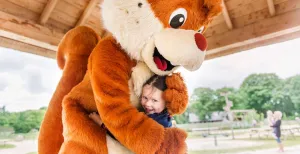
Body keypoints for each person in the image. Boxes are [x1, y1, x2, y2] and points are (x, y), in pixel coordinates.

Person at [89, 75, 173, 138]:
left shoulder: (159, 123)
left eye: (154, 100)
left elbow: (127, 137)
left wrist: (102, 124)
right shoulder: (159, 116)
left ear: (166, 102)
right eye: (145, 97)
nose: (147, 103)